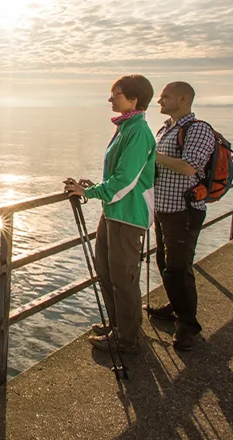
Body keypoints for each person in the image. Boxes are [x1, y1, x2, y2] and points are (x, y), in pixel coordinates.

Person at [64, 74, 156, 354]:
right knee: (105, 270)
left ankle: (126, 338)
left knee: (123, 278)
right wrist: (94, 188)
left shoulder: (138, 132)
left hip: (128, 217)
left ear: (133, 99)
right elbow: (117, 177)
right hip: (114, 213)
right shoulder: (127, 127)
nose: (110, 99)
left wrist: (88, 193)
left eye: (115, 94)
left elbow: (126, 180)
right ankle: (118, 326)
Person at [145, 82, 216, 351]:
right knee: (164, 261)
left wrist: (154, 154)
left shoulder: (197, 129)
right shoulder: (166, 128)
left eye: (166, 96)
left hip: (184, 212)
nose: (159, 101)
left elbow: (188, 168)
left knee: (178, 267)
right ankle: (175, 307)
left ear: (183, 99)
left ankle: (188, 326)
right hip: (163, 208)